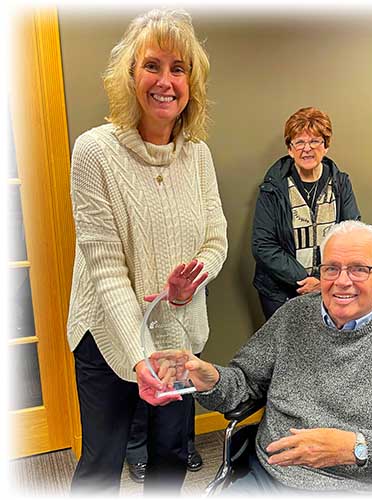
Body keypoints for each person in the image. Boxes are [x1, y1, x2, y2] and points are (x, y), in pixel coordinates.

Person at [166, 220, 372, 493]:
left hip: (359, 486)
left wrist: (357, 447)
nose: (342, 281)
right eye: (331, 268)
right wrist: (211, 381)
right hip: (270, 476)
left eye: (358, 269)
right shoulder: (293, 317)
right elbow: (243, 384)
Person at [67, 8, 227, 494]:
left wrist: (191, 282)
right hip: (106, 334)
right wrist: (139, 358)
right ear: (130, 75)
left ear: (191, 83)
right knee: (102, 461)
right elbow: (106, 271)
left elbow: (215, 238)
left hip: (177, 329)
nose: (165, 81)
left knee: (171, 454)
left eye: (178, 69)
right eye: (152, 66)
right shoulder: (94, 152)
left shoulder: (198, 154)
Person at [252, 107, 361, 320]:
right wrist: (305, 280)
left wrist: (323, 280)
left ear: (326, 146)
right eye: (299, 142)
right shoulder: (272, 188)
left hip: (330, 288)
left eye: (315, 141)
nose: (307, 149)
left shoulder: (340, 183)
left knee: (325, 348)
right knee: (286, 351)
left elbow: (352, 235)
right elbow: (263, 245)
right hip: (279, 292)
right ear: (290, 149)